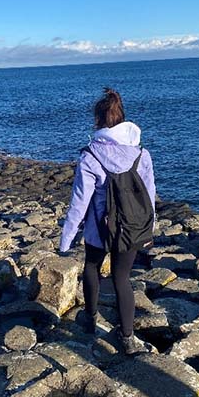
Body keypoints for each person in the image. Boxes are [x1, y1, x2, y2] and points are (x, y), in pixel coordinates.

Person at [59, 87, 156, 354]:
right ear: (123, 119)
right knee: (122, 278)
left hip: (98, 230)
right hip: (132, 229)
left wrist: (66, 239)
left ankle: (90, 321)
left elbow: (80, 201)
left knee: (92, 268)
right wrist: (149, 230)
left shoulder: (90, 156)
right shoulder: (141, 155)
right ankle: (127, 338)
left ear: (98, 121)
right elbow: (148, 196)